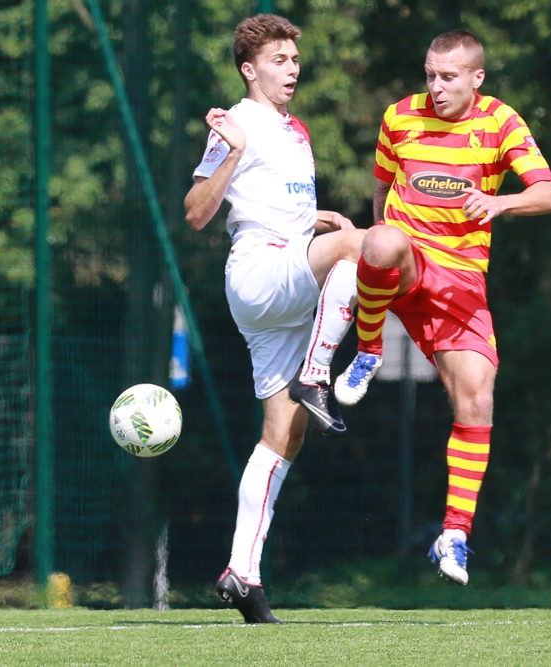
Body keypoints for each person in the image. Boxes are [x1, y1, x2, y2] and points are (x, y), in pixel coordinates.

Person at [333, 29, 551, 585]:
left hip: (461, 281)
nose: (435, 86)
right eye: (430, 75)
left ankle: (454, 535)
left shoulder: (501, 121)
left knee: (477, 400)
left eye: (448, 77)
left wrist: (501, 202)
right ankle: (368, 351)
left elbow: (550, 193)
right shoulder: (399, 116)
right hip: (410, 260)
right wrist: (382, 243)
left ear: (476, 78)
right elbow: (381, 190)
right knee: (381, 239)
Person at [183, 13, 365, 623]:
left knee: (284, 434)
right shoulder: (236, 123)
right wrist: (232, 151)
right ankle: (318, 374)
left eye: (294, 60)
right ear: (249, 69)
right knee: (359, 249)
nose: (291, 70)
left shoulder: (295, 129)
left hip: (283, 274)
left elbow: (269, 204)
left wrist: (317, 218)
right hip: (261, 272)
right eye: (278, 60)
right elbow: (196, 212)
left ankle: (243, 573)